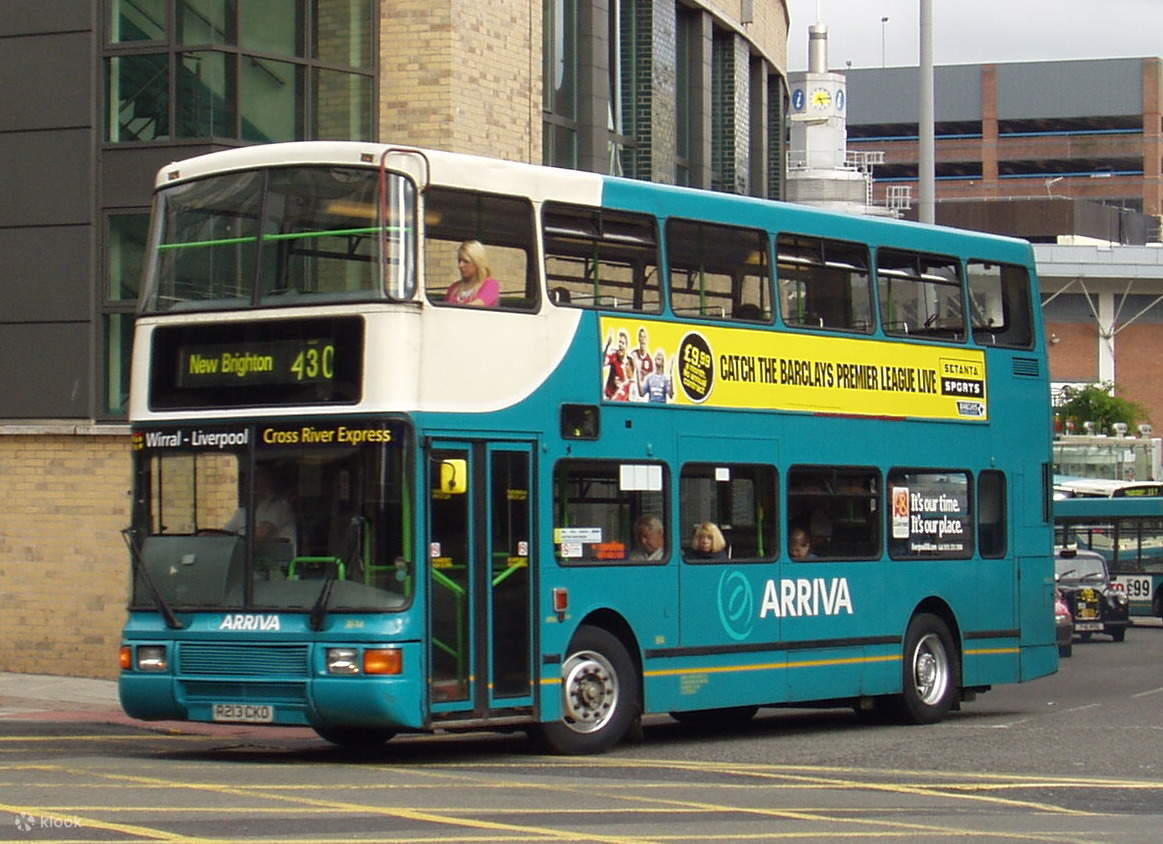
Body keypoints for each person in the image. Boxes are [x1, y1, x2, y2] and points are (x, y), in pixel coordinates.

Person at [224, 466, 297, 555]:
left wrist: (232, 541)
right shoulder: (243, 511)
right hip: (250, 561)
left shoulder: (279, 506)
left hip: (277, 563)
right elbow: (225, 534)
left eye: (253, 481)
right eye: (245, 482)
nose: (245, 486)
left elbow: (260, 535)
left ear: (266, 483)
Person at [444, 240, 500, 307]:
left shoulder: (491, 284)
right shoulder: (453, 287)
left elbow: (476, 306)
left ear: (477, 262)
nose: (460, 265)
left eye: (466, 261)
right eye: (459, 261)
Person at [602, 329, 633, 401]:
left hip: (623, 401)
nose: (620, 345)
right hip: (610, 399)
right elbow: (602, 362)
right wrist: (607, 345)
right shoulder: (614, 357)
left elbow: (631, 382)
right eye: (619, 342)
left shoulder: (630, 362)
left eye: (622, 343)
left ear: (627, 346)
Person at [629, 327, 654, 400]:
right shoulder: (633, 355)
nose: (643, 339)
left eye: (644, 337)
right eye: (641, 337)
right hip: (633, 392)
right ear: (638, 339)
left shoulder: (650, 360)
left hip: (643, 394)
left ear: (647, 339)